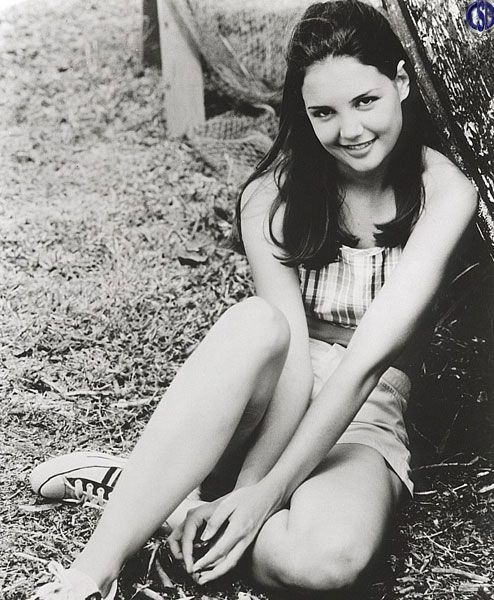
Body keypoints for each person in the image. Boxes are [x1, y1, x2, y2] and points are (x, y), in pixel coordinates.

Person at [32, 1, 478, 598]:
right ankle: (93, 573)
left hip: (365, 406)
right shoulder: (273, 194)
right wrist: (251, 485)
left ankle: (160, 501)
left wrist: (261, 500)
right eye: (324, 112)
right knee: (257, 323)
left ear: (400, 82)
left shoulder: (444, 191)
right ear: (304, 112)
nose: (350, 130)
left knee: (328, 560)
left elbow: (367, 364)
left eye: (365, 101)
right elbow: (291, 366)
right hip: (268, 394)